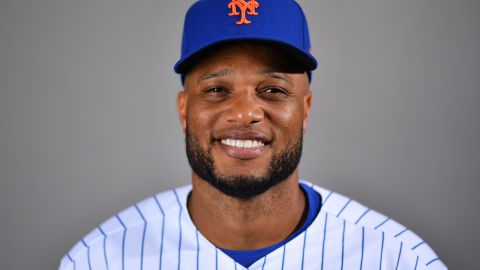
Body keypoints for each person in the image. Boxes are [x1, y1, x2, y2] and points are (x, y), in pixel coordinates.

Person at [60, 0, 446, 269]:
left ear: (305, 109)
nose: (245, 113)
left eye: (273, 90)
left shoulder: (399, 259)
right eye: (216, 90)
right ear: (184, 110)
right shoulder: (98, 259)